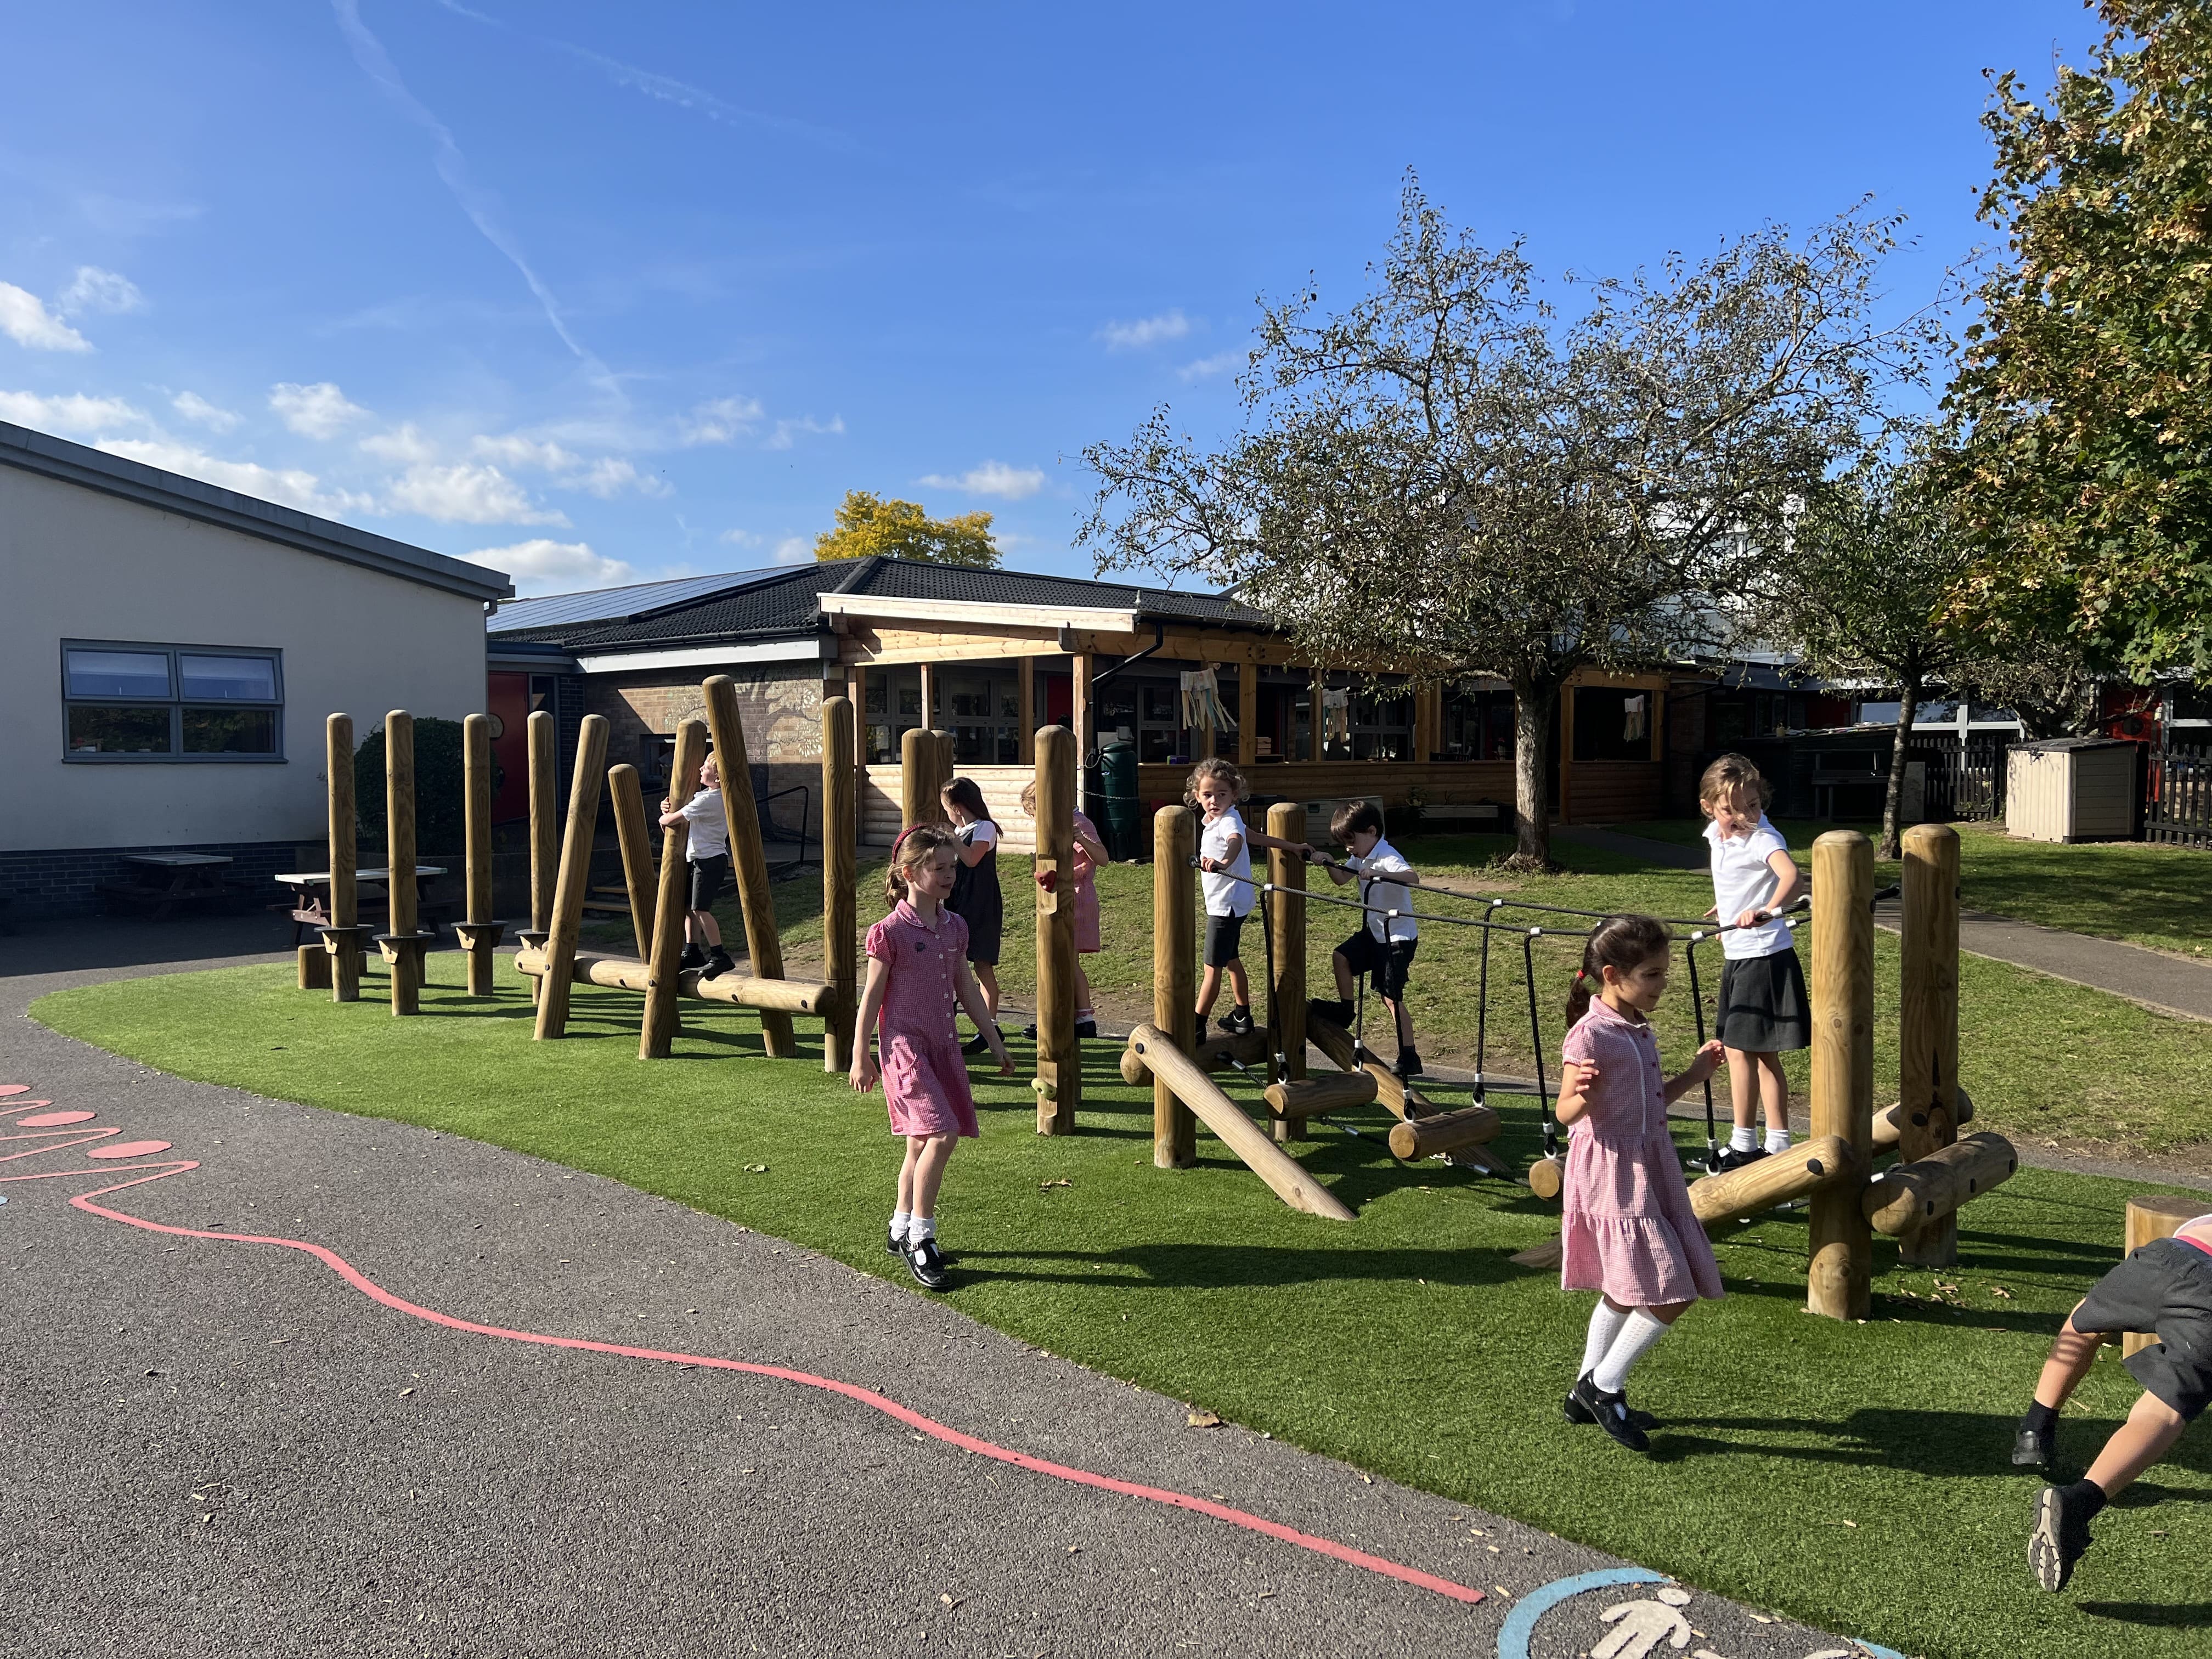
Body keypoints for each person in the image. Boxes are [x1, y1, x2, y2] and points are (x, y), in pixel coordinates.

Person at [1554, 912, 1728, 1452]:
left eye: (1663, 972)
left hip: (1651, 1164)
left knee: (1622, 1289)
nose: (1663, 983)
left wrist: (1694, 1077)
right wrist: (1581, 1093)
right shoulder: (1590, 1035)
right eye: (1652, 974)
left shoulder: (1636, 1026)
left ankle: (1584, 1393)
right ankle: (1604, 1387)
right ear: (1612, 974)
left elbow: (1648, 1104)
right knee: (1671, 1288)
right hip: (1612, 1173)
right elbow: (1565, 1112)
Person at [848, 825, 1013, 1291]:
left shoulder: (954, 927)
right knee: (943, 1132)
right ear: (909, 873)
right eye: (938, 868)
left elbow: (967, 987)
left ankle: (900, 1225)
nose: (949, 875)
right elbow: (872, 998)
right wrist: (861, 1055)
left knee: (919, 1144)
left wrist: (994, 1039)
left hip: (943, 1047)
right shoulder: (890, 933)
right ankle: (922, 1237)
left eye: (952, 867)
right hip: (905, 1050)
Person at [2016, 1209, 2212, 1590]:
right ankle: (2079, 1504)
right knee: (2162, 1411)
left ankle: (2034, 1429)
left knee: (2083, 1324)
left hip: (2168, 1253)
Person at [1698, 753, 1807, 1171]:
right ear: (1709, 807)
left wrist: (1766, 909)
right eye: (1731, 809)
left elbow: (1791, 877)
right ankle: (1749, 1142)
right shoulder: (1716, 835)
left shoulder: (1762, 837)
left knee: (1755, 1053)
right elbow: (1737, 879)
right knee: (1741, 1051)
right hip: (1738, 954)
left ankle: (1768, 1146)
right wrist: (1727, 905)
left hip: (1764, 955)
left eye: (1754, 805)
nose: (1744, 816)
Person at [1187, 758, 1307, 1038]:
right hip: (1230, 904)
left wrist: (1224, 863)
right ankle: (1242, 1015)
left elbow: (1236, 841)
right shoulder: (1224, 819)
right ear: (1197, 797)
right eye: (1207, 795)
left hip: (1225, 907)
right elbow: (1252, 836)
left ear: (1234, 795)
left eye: (1221, 794)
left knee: (1212, 968)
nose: (1214, 800)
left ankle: (1195, 1025)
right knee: (1231, 961)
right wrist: (1291, 846)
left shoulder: (1228, 820)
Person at [1308, 800, 1423, 1076]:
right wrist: (1327, 862)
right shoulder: (1360, 856)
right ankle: (1346, 1011)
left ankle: (1410, 1055)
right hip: (1374, 933)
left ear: (1372, 831)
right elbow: (1341, 879)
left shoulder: (1386, 855)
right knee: (1341, 957)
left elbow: (1413, 877)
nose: (1349, 848)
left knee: (1391, 997)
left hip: (1397, 937)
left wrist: (1379, 874)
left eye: (1352, 840)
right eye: (1344, 843)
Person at [1019, 778, 1109, 1040]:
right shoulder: (1054, 825)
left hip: (1076, 896)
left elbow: (1102, 859)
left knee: (1065, 959)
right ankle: (1065, 1015)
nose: (1037, 820)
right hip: (1055, 894)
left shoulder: (1078, 823)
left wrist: (1079, 838)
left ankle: (1080, 1017)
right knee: (1060, 958)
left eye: (1037, 813)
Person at [941, 777, 1005, 1057]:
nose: (946, 814)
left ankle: (989, 1026)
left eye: (947, 807)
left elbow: (972, 859)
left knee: (982, 966)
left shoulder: (984, 828)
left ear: (957, 806)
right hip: (959, 903)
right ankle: (946, 1021)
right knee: (953, 964)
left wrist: (952, 837)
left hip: (981, 904)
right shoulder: (960, 829)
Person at [658, 752, 735, 979]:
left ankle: (719, 955)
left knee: (700, 909)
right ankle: (692, 951)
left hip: (709, 860)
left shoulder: (709, 800)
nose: (701, 769)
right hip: (699, 859)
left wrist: (663, 815)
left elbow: (670, 822)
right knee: (690, 909)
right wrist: (668, 813)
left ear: (719, 777)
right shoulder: (705, 797)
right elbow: (674, 827)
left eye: (706, 767)